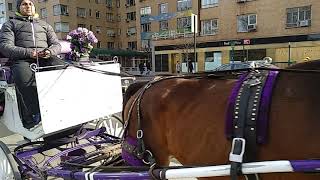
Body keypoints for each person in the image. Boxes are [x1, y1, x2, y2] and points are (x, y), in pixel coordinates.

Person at [0, 0, 62, 129]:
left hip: (46, 58)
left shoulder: (45, 25)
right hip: (23, 59)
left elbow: (57, 45)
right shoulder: (10, 24)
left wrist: (49, 52)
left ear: (34, 7)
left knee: (63, 70)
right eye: (24, 4)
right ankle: (35, 113)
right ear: (19, 7)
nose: (28, 6)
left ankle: (61, 105)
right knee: (25, 80)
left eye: (30, 3)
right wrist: (30, 53)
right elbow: (5, 47)